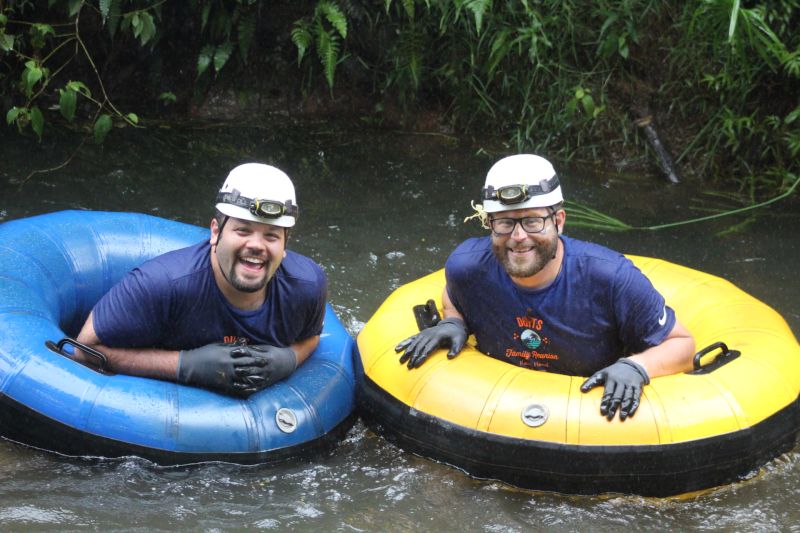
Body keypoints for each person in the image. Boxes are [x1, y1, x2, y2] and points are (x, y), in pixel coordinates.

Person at [396, 154, 695, 421]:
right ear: (490, 225)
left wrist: (637, 366)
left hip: (591, 422)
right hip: (500, 416)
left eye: (533, 222)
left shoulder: (612, 279)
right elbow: (453, 291)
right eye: (504, 223)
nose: (518, 236)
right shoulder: (467, 268)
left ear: (559, 221)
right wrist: (453, 319)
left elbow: (683, 345)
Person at [75, 163, 327, 397]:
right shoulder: (162, 284)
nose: (256, 246)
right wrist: (185, 365)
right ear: (216, 232)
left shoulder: (306, 286)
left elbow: (311, 336)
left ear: (285, 244)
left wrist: (288, 360)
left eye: (271, 236)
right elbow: (83, 349)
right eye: (243, 230)